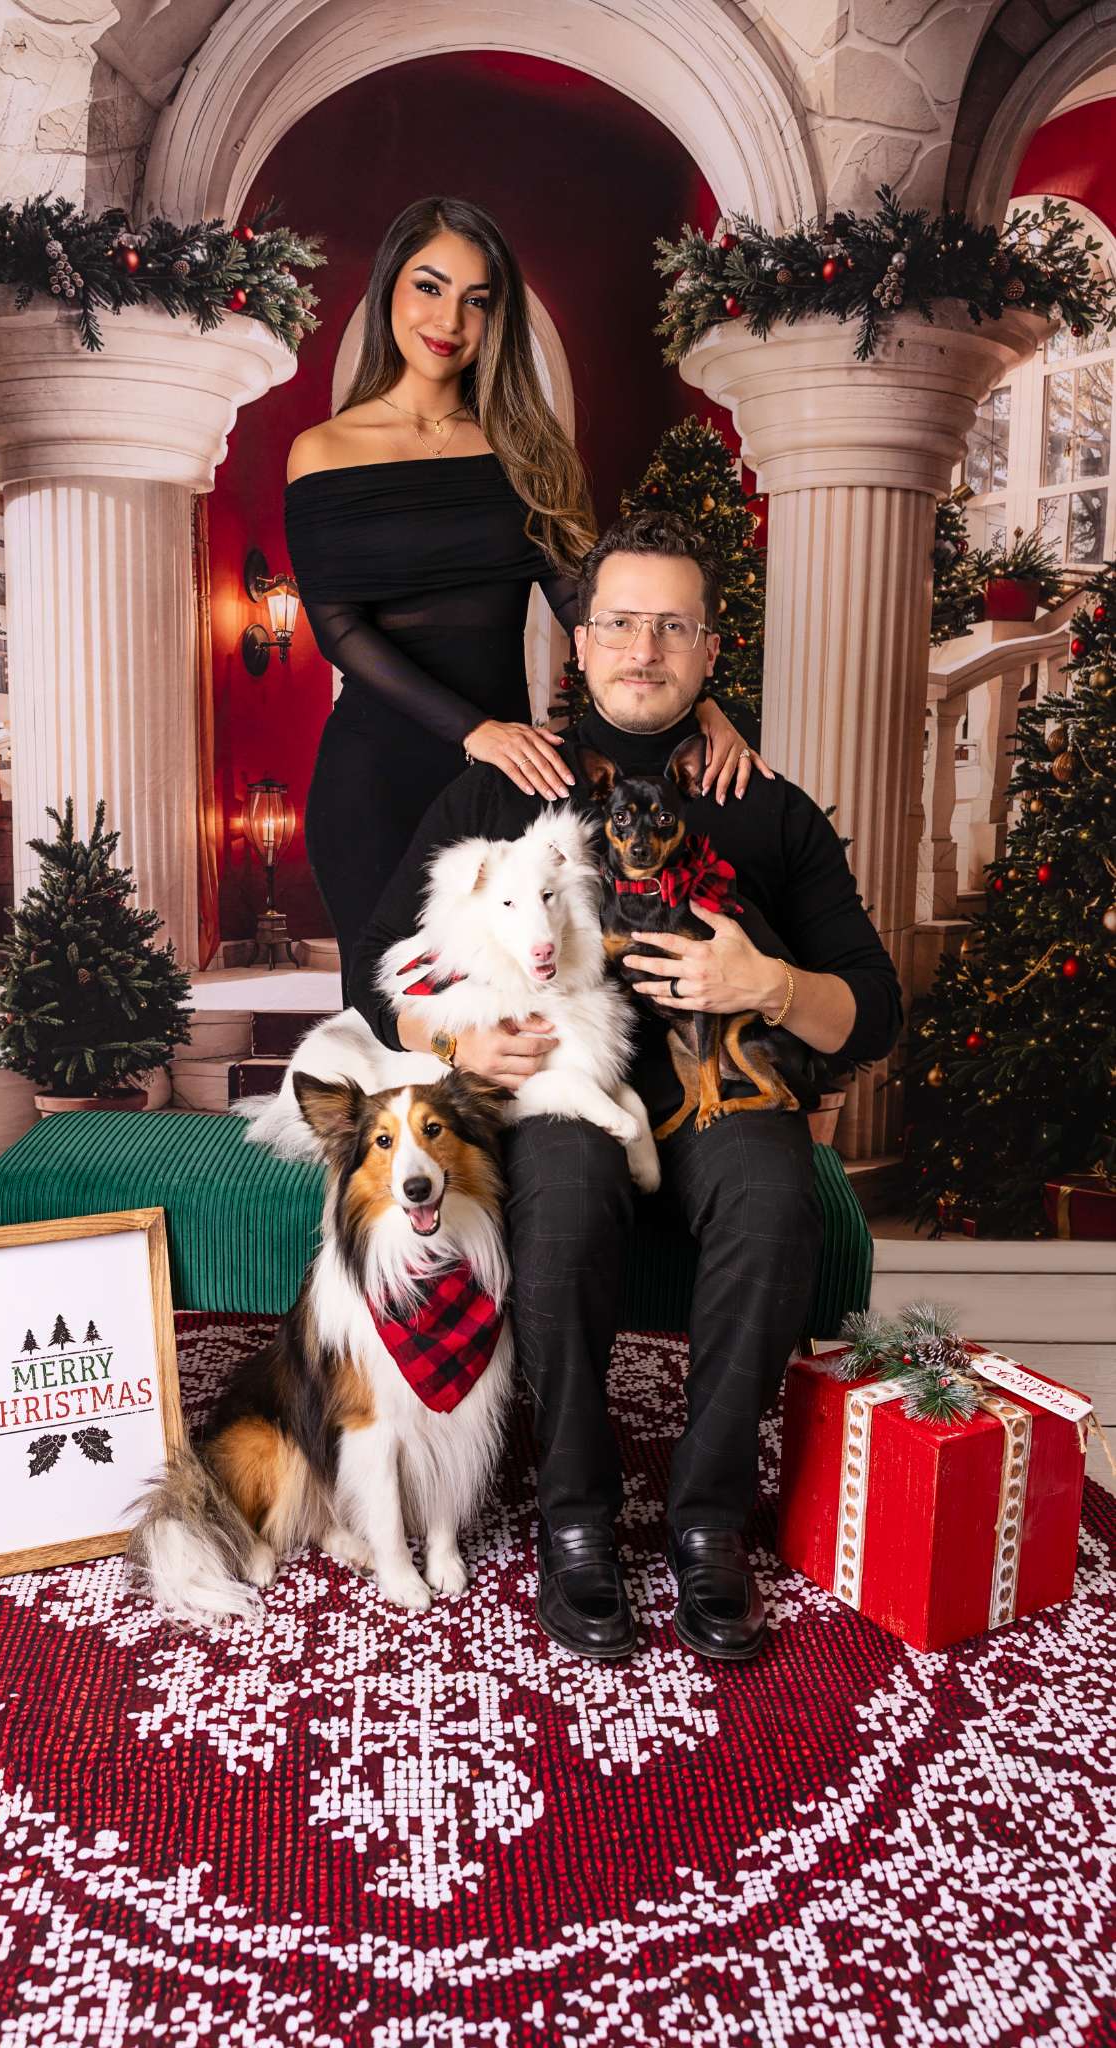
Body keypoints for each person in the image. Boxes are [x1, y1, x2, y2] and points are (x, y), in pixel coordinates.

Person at [347, 511, 903, 1665]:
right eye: (620, 623)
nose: (643, 648)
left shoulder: (766, 806)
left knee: (773, 1194)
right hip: (561, 1093)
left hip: (723, 1094)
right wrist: (449, 1045)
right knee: (557, 1181)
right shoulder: (507, 788)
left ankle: (706, 1521)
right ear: (580, 648)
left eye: (672, 627)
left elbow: (873, 1003)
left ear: (709, 654)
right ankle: (577, 1518)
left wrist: (773, 980)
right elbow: (372, 963)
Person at [285, 195, 759, 997]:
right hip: (373, 773)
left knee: (516, 1004)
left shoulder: (526, 449)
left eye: (477, 300)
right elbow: (337, 629)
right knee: (396, 1006)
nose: (449, 320)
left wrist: (694, 700)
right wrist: (474, 730)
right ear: (388, 291)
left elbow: (589, 607)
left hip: (513, 778)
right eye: (428, 287)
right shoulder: (321, 450)